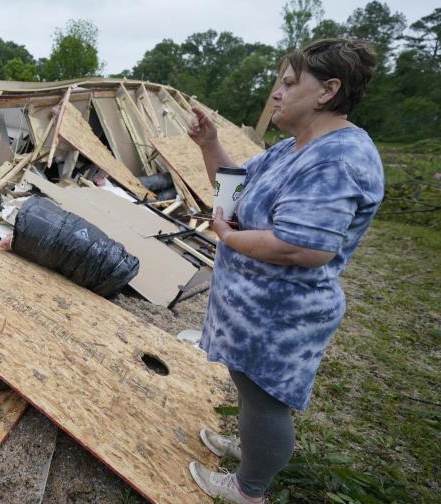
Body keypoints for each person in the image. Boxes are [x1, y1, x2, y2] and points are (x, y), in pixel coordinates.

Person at [185, 39, 384, 503]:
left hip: (279, 317)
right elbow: (235, 187)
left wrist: (229, 237)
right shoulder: (295, 148)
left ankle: (249, 488)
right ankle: (251, 447)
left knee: (265, 401)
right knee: (250, 391)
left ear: (327, 91)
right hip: (254, 312)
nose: (276, 92)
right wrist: (210, 144)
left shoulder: (336, 158)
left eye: (290, 83)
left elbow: (302, 247)